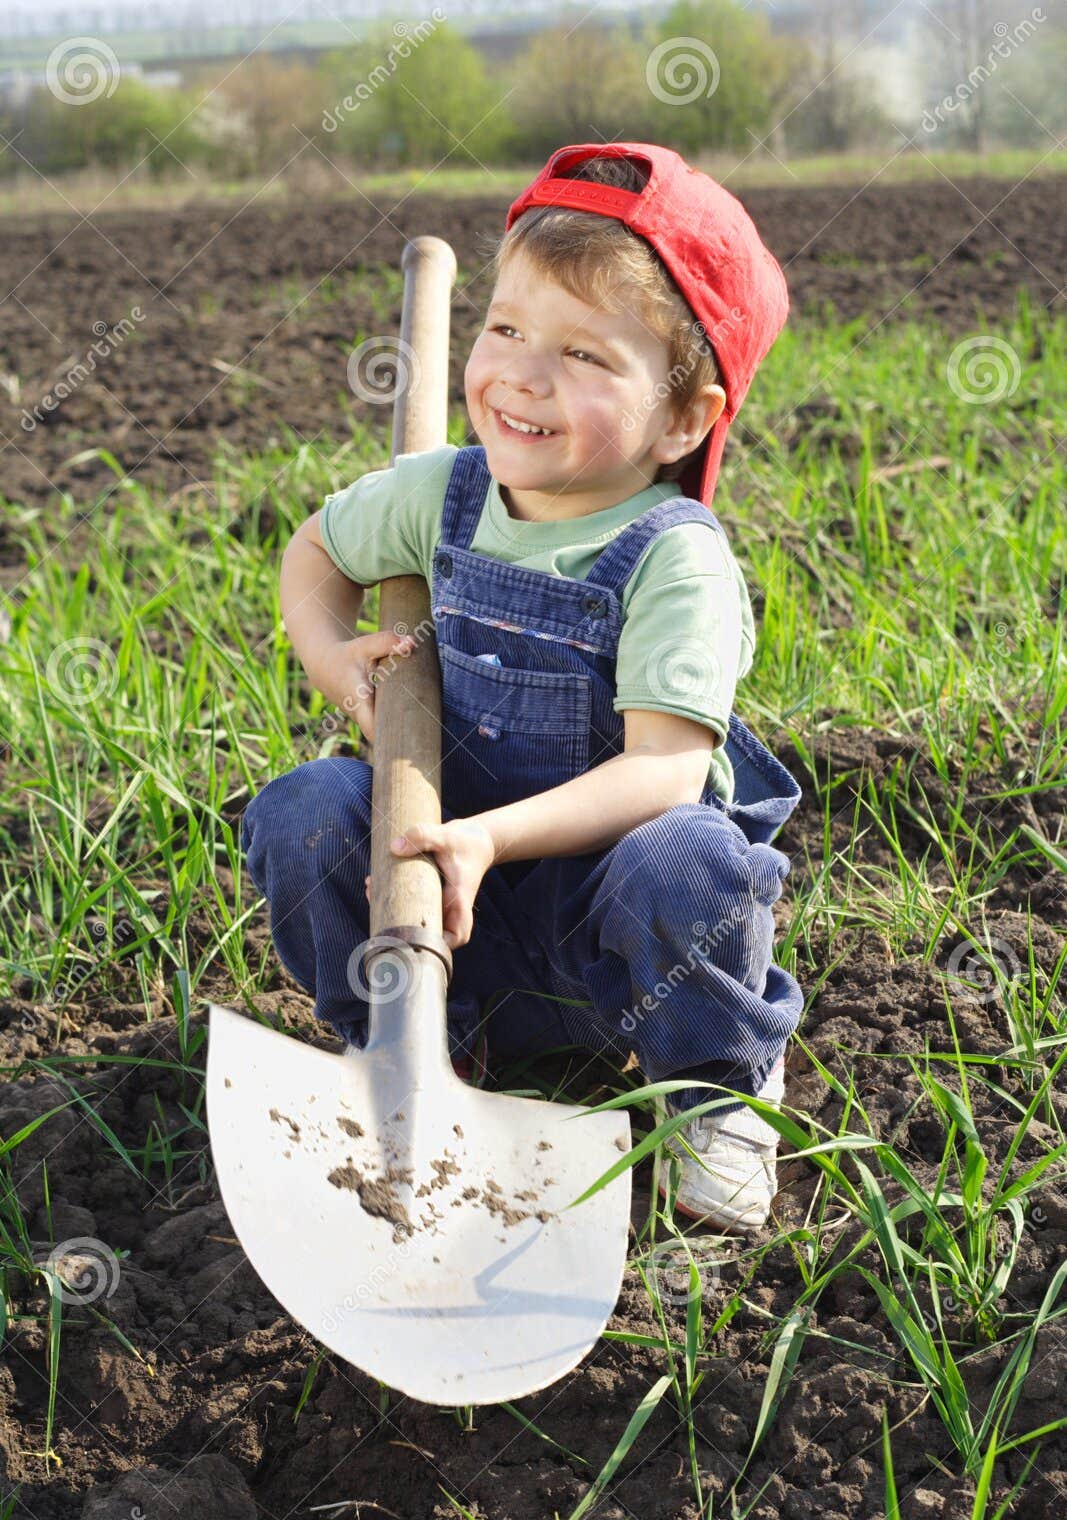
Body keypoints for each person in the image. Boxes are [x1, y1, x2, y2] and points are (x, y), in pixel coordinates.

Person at [242, 142, 804, 1231]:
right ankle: (405, 1058)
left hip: (619, 950)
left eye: (586, 356)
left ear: (684, 418)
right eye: (504, 329)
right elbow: (314, 554)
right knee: (304, 811)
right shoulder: (442, 492)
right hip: (453, 934)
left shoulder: (671, 557)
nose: (523, 375)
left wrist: (486, 835)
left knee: (689, 858)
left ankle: (715, 1085)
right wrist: (330, 654)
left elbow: (663, 772)